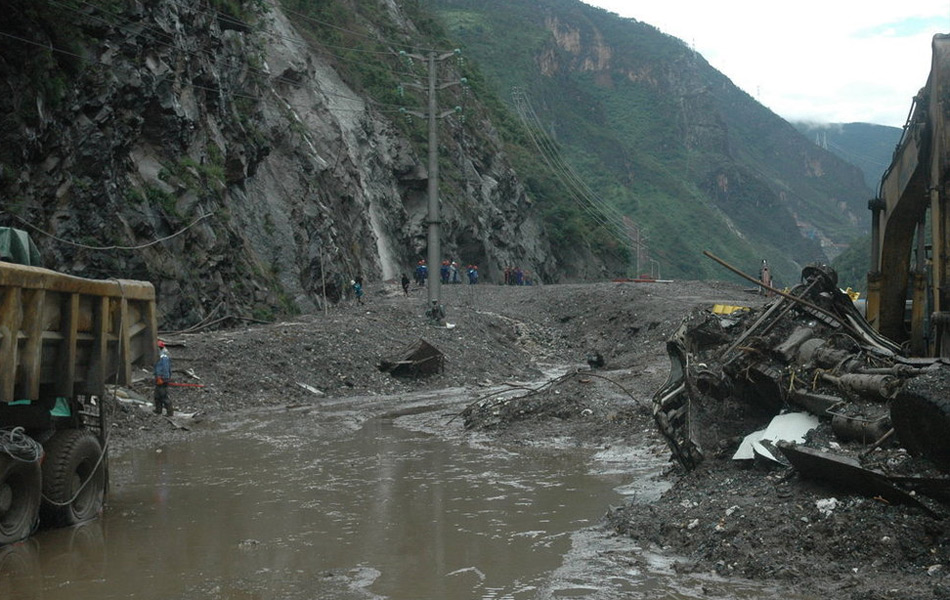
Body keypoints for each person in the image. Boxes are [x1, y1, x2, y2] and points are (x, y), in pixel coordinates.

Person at [153, 340, 173, 416]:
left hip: (162, 379)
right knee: (157, 395)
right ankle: (158, 410)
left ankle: (169, 412)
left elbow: (165, 369)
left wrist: (161, 378)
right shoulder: (162, 356)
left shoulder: (163, 357)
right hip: (161, 378)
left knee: (164, 396)